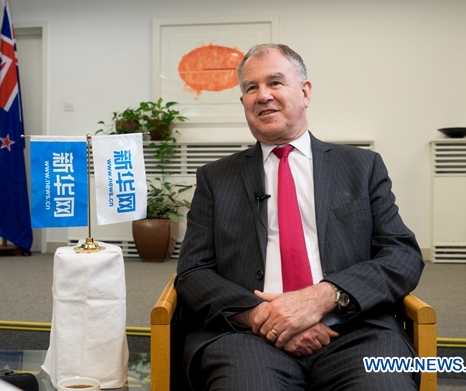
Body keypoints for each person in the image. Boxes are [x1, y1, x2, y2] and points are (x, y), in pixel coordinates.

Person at [175, 43, 424, 391]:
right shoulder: (216, 178)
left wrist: (324, 297)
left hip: (354, 331)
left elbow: (402, 256)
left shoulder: (361, 167)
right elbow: (193, 272)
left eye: (275, 83)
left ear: (305, 92)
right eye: (251, 87)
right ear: (244, 101)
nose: (263, 95)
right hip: (248, 337)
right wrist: (265, 316)